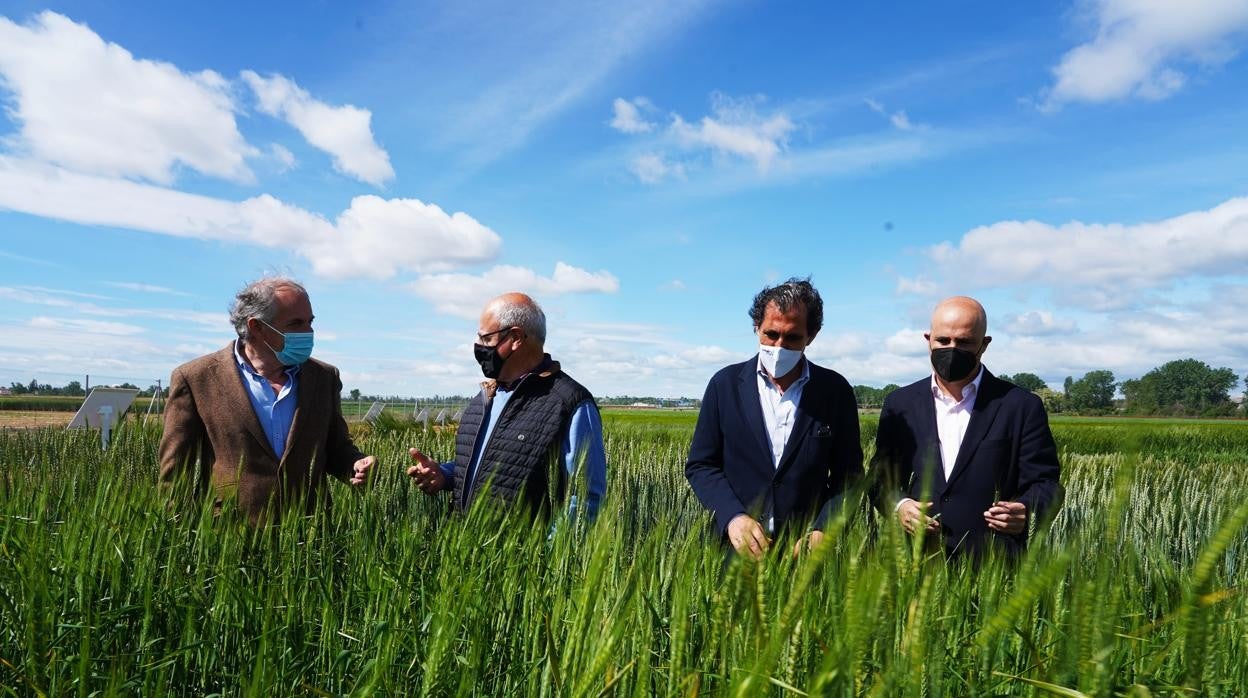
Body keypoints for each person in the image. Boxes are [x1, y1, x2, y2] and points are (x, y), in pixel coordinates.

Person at [159, 277, 375, 522]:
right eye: (296, 323)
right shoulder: (196, 378)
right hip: (228, 536)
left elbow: (335, 448)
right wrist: (176, 537)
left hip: (309, 536)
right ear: (256, 327)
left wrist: (356, 465)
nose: (308, 332)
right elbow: (175, 473)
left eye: (310, 322)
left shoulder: (324, 377)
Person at [685, 278, 863, 559]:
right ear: (757, 328)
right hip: (734, 553)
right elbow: (701, 465)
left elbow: (849, 478)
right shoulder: (725, 385)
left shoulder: (835, 391)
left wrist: (823, 530)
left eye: (792, 337)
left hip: (805, 557)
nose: (779, 346)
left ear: (812, 335)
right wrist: (732, 517)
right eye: (771, 334)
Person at [872, 296, 1063, 558]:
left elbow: (1046, 483)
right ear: (928, 339)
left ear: (984, 345)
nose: (951, 349)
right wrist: (900, 506)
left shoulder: (1020, 406)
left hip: (994, 566)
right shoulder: (900, 404)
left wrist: (1027, 510)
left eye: (964, 342)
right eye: (943, 341)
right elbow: (880, 479)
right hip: (915, 565)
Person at [406, 292, 606, 521]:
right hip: (468, 550)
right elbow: (490, 465)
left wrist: (547, 554)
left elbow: (584, 499)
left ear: (516, 338)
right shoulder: (484, 398)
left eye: (485, 338)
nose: (478, 346)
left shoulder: (570, 403)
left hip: (526, 555)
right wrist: (445, 474)